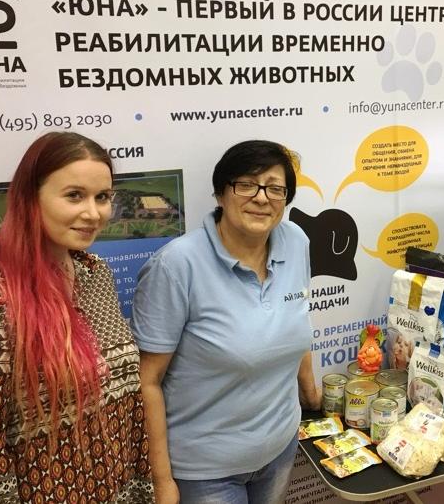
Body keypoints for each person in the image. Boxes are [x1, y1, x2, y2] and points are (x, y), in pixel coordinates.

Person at [0, 132, 153, 502]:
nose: (93, 213)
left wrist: (146, 487)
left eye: (103, 197)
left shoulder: (94, 273)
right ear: (31, 198)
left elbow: (126, 402)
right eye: (74, 195)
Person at [132, 140, 321, 504]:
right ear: (220, 193)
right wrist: (161, 480)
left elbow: (297, 321)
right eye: (246, 185)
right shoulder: (175, 266)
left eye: (275, 188)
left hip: (280, 448)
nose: (262, 198)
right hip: (206, 470)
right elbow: (147, 381)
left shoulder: (295, 241)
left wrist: (311, 394)